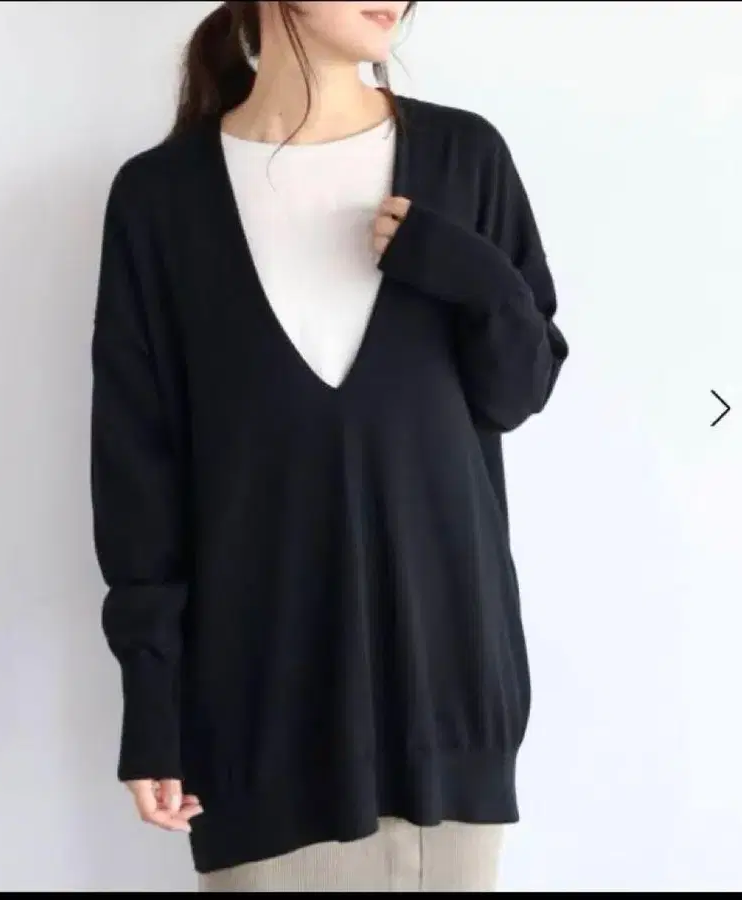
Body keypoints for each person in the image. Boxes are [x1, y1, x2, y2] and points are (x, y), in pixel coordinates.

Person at [89, 0, 568, 892]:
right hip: (257, 719)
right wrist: (151, 707)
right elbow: (137, 475)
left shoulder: (464, 157)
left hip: (444, 707)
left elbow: (518, 393)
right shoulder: (160, 198)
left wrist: (480, 281)